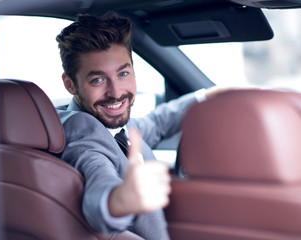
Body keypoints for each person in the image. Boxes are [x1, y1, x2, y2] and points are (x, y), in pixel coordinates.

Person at [56, 12, 220, 240]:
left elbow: (156, 124)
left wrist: (207, 96)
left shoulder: (113, 126)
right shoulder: (83, 132)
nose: (116, 93)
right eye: (97, 80)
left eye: (123, 73)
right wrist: (117, 200)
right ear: (70, 85)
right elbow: (97, 179)